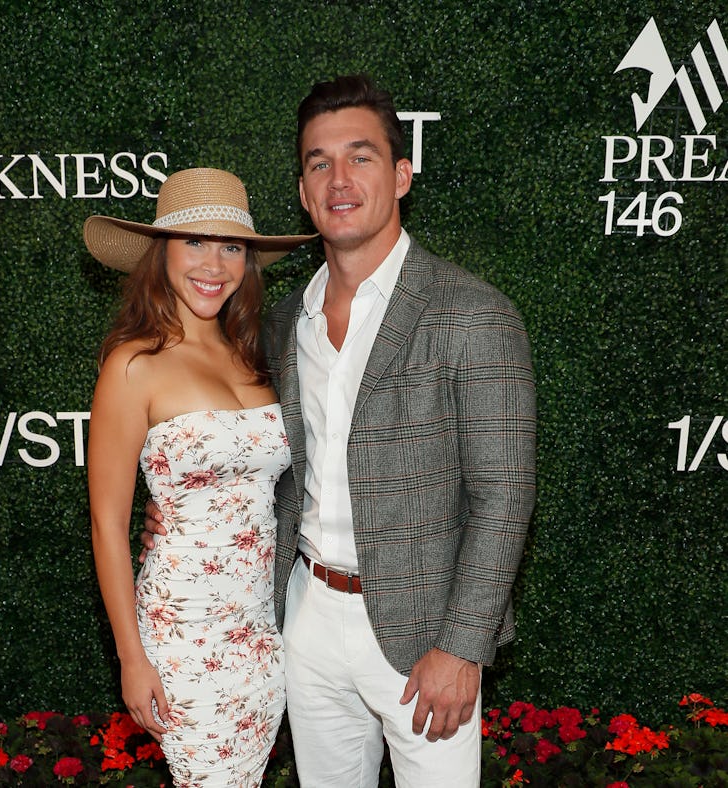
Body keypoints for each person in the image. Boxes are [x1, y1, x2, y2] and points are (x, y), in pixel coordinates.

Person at [144, 75, 536, 787]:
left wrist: (463, 646)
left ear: (403, 173)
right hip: (305, 618)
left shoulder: (474, 314)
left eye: (360, 156)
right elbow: (248, 454)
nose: (339, 178)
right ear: (301, 190)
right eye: (319, 162)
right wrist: (174, 520)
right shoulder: (281, 320)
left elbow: (505, 494)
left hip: (426, 635)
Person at [85, 167, 314, 787]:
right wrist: (132, 660)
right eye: (194, 242)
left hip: (262, 633)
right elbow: (107, 527)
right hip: (183, 636)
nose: (213, 263)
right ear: (161, 254)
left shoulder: (258, 355)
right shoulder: (133, 364)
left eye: (231, 246)